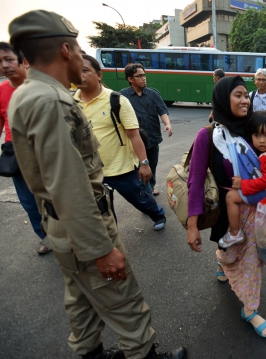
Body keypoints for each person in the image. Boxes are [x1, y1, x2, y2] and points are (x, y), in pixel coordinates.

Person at [8, 10, 186, 358]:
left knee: (81, 303)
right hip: (83, 227)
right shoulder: (51, 101)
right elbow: (69, 186)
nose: (79, 56)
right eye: (77, 48)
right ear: (64, 50)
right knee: (124, 302)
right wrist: (102, 250)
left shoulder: (28, 94)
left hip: (63, 228)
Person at [186, 76, 266, 338]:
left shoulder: (254, 126)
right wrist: (192, 225)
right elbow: (196, 180)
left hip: (260, 208)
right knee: (231, 251)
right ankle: (222, 260)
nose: (246, 100)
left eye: (247, 95)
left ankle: (250, 309)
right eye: (238, 95)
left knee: (253, 262)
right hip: (229, 210)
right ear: (223, 98)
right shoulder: (209, 136)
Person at [74, 54, 167, 230]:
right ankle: (113, 239)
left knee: (141, 200)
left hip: (122, 168)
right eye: (75, 70)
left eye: (85, 70)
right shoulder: (71, 104)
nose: (79, 75)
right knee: (105, 212)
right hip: (92, 171)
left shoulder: (116, 100)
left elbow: (133, 134)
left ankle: (158, 214)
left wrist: (144, 163)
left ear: (99, 74)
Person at [0, 42, 50, 255]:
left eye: (9, 59)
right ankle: (46, 237)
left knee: (58, 199)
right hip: (18, 156)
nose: (4, 65)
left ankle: (71, 236)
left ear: (24, 61)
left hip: (48, 152)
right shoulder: (1, 92)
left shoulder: (44, 87)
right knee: (30, 204)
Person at [221, 111, 266, 248]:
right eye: (257, 135)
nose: (261, 140)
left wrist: (243, 184)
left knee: (231, 197)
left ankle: (235, 233)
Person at [120, 63, 173, 197]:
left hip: (152, 137)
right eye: (139, 76)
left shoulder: (153, 94)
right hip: (134, 139)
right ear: (130, 79)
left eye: (144, 75)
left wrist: (168, 124)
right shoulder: (123, 96)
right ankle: (146, 193)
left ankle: (151, 185)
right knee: (140, 167)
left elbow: (162, 110)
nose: (144, 78)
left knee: (152, 164)